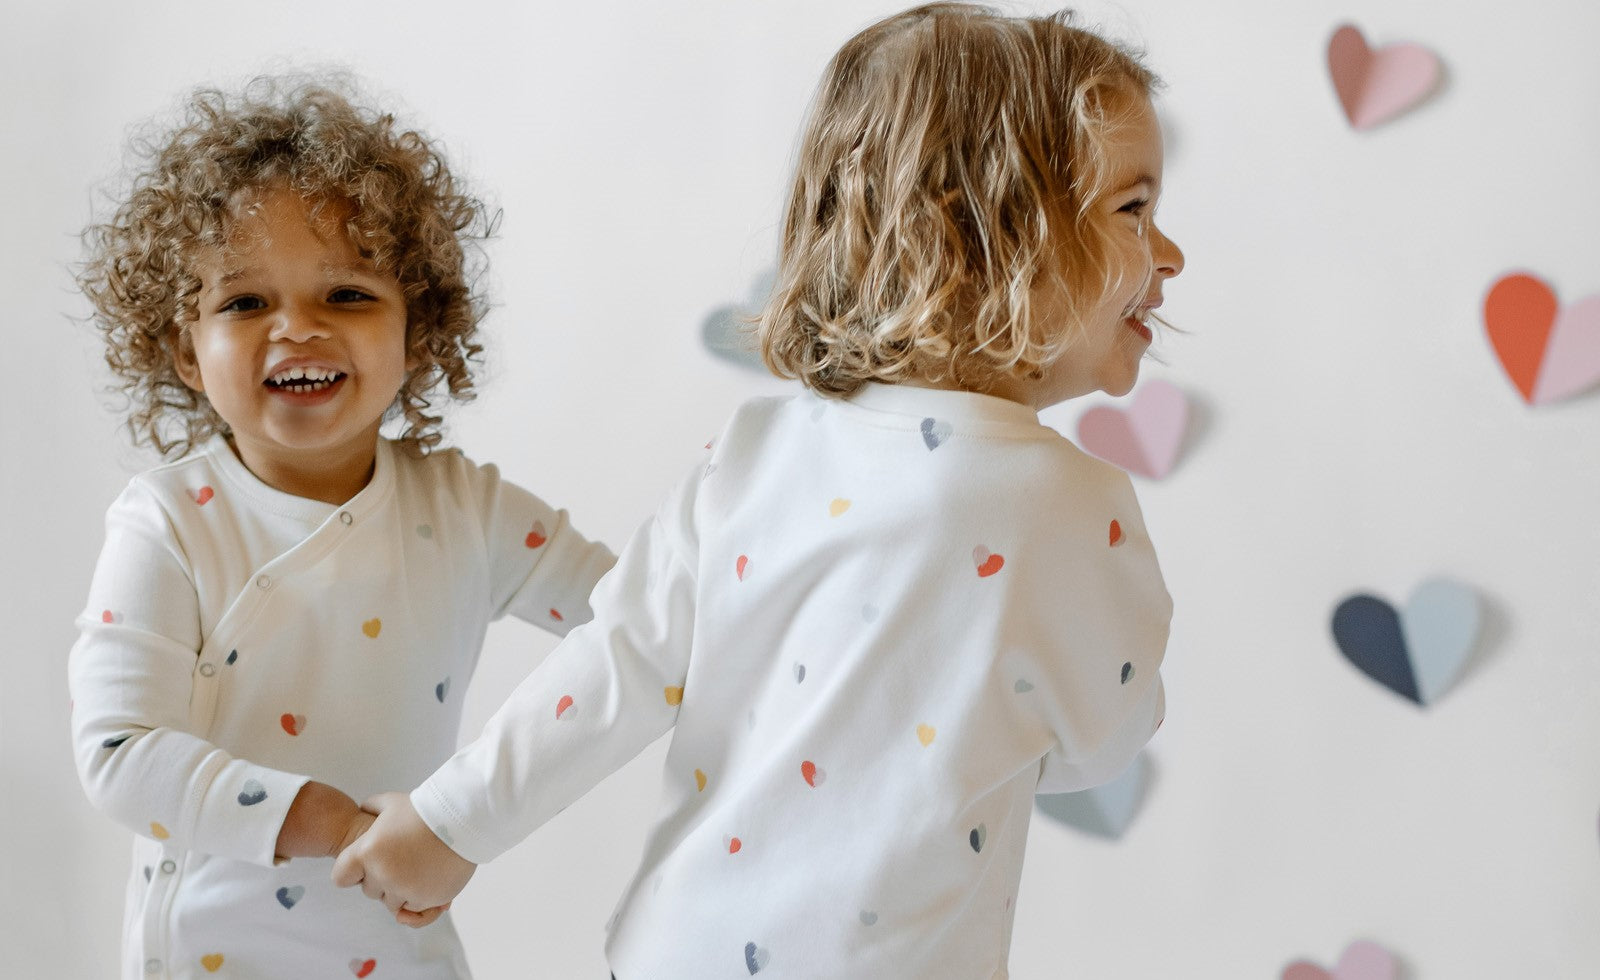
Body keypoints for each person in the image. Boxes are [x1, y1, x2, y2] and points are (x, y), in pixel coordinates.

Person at [336, 3, 1184, 977]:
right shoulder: (1073, 505)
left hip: (676, 950)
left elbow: (616, 664)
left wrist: (447, 824)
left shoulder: (757, 447)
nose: (1169, 255)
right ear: (985, 231)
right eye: (1134, 210)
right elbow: (1096, 747)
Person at [69, 76, 615, 980]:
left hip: (401, 949)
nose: (297, 328)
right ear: (184, 350)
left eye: (349, 295)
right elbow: (120, 752)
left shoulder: (467, 512)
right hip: (213, 955)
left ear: (420, 332)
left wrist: (732, 524)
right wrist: (338, 825)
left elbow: (638, 618)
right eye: (244, 304)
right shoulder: (168, 523)